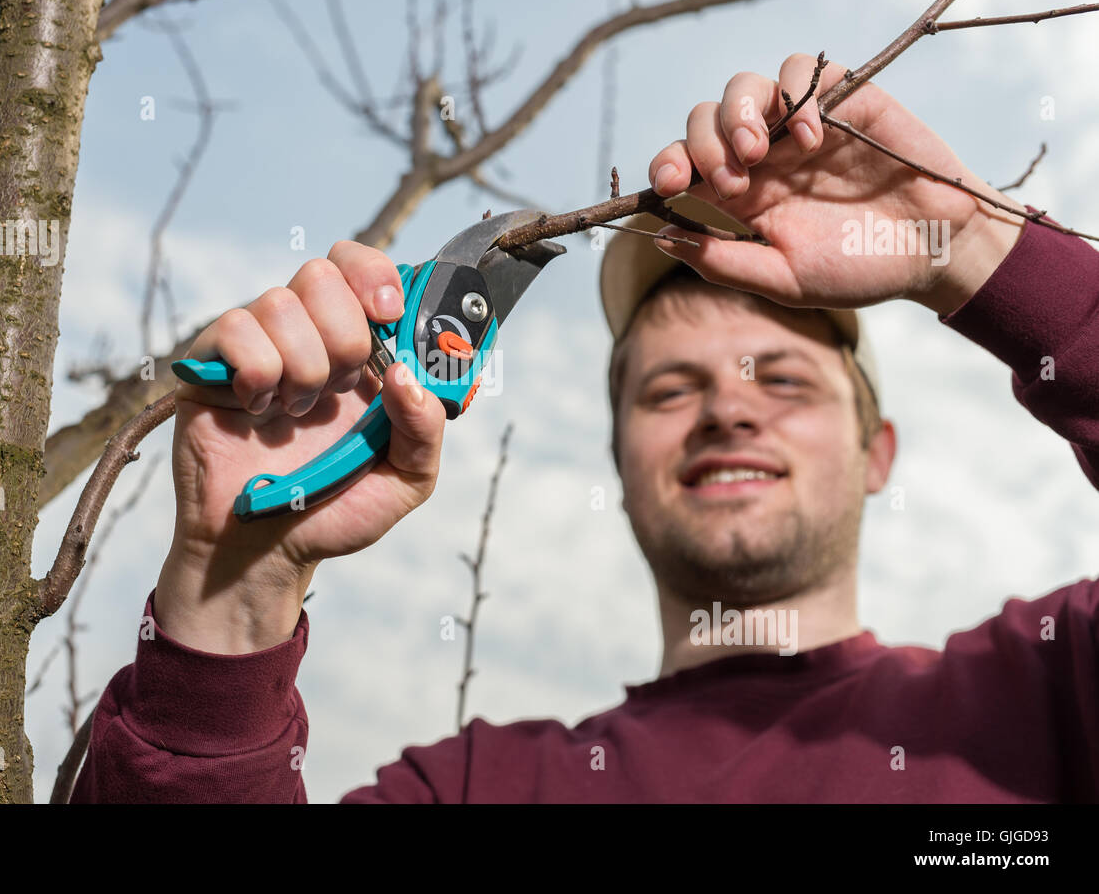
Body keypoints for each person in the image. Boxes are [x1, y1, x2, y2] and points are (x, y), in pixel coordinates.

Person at [70, 54, 1099, 803]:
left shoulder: (1049, 693)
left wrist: (965, 245)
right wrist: (230, 604)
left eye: (779, 379)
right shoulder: (481, 789)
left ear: (880, 453)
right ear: (617, 452)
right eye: (668, 390)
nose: (727, 407)